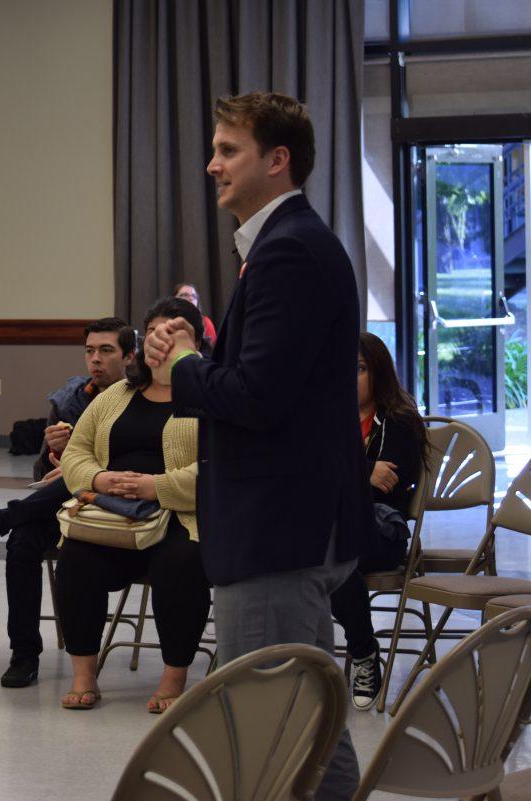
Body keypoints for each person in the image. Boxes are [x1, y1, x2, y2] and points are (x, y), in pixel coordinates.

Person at [144, 91, 372, 801]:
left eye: (227, 150)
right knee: (307, 726)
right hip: (291, 522)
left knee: (273, 729)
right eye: (213, 149)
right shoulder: (281, 247)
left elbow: (255, 399)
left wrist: (184, 363)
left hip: (278, 530)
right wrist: (194, 357)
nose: (211, 165)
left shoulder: (290, 252)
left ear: (278, 160)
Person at [0, 318, 134, 688]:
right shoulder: (70, 402)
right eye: (89, 351)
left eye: (106, 351)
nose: (95, 360)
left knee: (76, 481)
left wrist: (78, 466)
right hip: (65, 503)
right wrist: (57, 453)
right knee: (22, 540)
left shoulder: (139, 399)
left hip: (115, 507)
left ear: (129, 356)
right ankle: (24, 654)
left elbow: (131, 470)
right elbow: (40, 473)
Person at [56, 297, 209, 712]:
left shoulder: (210, 397)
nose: (162, 343)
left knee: (181, 562)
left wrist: (157, 487)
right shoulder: (117, 395)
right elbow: (76, 453)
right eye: (155, 333)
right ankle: (85, 674)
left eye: (174, 334)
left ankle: (173, 675)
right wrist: (100, 478)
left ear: (195, 344)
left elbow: (221, 470)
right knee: (75, 558)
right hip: (115, 514)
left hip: (184, 515)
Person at [331, 332, 426, 710]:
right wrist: (362, 471)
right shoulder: (328, 420)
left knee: (334, 558)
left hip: (381, 531)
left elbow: (383, 488)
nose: (348, 378)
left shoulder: (399, 421)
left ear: (379, 372)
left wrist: (339, 475)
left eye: (359, 369)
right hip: (335, 530)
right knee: (324, 556)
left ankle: (365, 654)